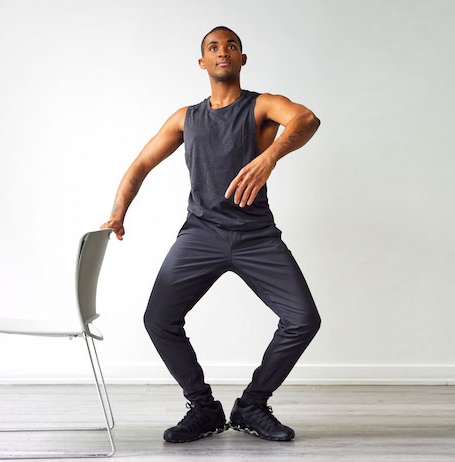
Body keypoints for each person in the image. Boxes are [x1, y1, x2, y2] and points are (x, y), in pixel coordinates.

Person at [99, 26, 321, 443]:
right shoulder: (186, 117)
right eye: (214, 48)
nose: (223, 52)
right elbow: (141, 164)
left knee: (303, 320)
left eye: (232, 47)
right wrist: (117, 214)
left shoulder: (261, 107)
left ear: (242, 59)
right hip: (200, 234)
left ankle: (252, 405)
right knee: (159, 320)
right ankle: (203, 409)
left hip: (257, 237)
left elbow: (306, 119)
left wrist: (269, 157)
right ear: (202, 62)